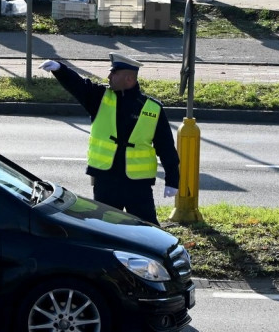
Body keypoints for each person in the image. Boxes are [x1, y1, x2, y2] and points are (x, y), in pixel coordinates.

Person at [39, 53, 180, 225]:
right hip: (106, 180)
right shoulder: (100, 97)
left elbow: (166, 147)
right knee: (105, 228)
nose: (109, 76)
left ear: (129, 78)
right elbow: (79, 86)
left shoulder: (152, 108)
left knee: (147, 228)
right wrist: (60, 70)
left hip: (137, 184)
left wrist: (172, 180)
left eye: (114, 73)